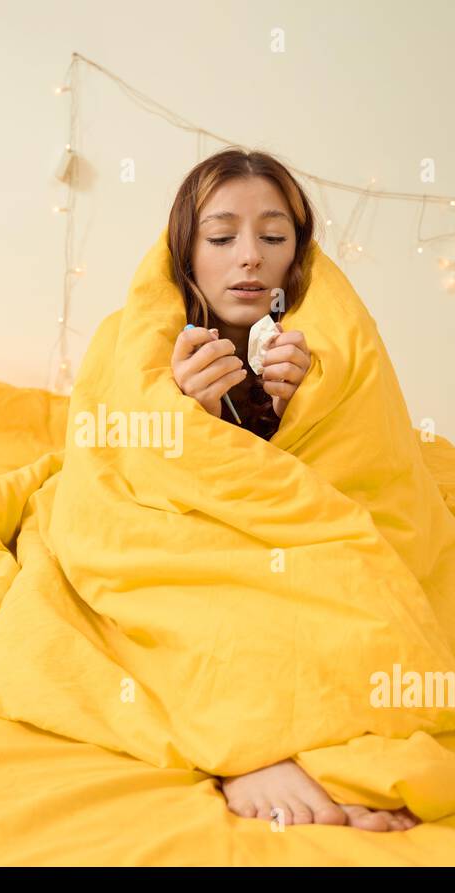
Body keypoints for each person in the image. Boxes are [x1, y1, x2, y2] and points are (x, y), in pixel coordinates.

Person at [166, 148, 419, 831]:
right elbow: (122, 473)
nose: (249, 256)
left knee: (364, 586)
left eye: (273, 237)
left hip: (305, 528)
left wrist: (306, 405)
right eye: (222, 238)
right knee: (192, 597)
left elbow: (365, 454)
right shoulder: (139, 343)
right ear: (186, 255)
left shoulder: (325, 342)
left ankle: (349, 741)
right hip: (183, 534)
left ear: (296, 256)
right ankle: (247, 747)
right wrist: (194, 416)